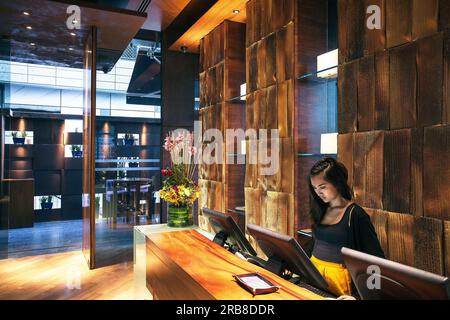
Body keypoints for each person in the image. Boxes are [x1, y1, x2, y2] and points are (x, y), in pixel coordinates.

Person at [306, 157, 385, 300]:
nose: (318, 192)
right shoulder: (320, 210)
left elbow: (376, 262)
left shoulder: (356, 215)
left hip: (341, 292)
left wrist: (359, 297)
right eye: (315, 188)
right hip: (314, 283)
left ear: (337, 183)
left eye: (322, 187)